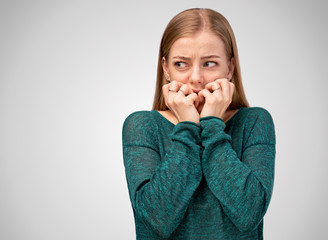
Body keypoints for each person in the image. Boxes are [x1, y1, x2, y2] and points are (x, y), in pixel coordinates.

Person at [122, 8, 275, 240]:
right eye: (181, 64)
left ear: (230, 68)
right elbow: (158, 219)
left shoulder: (254, 122)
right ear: (166, 69)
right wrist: (188, 127)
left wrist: (211, 124)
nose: (196, 78)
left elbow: (248, 213)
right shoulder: (141, 126)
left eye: (210, 63)